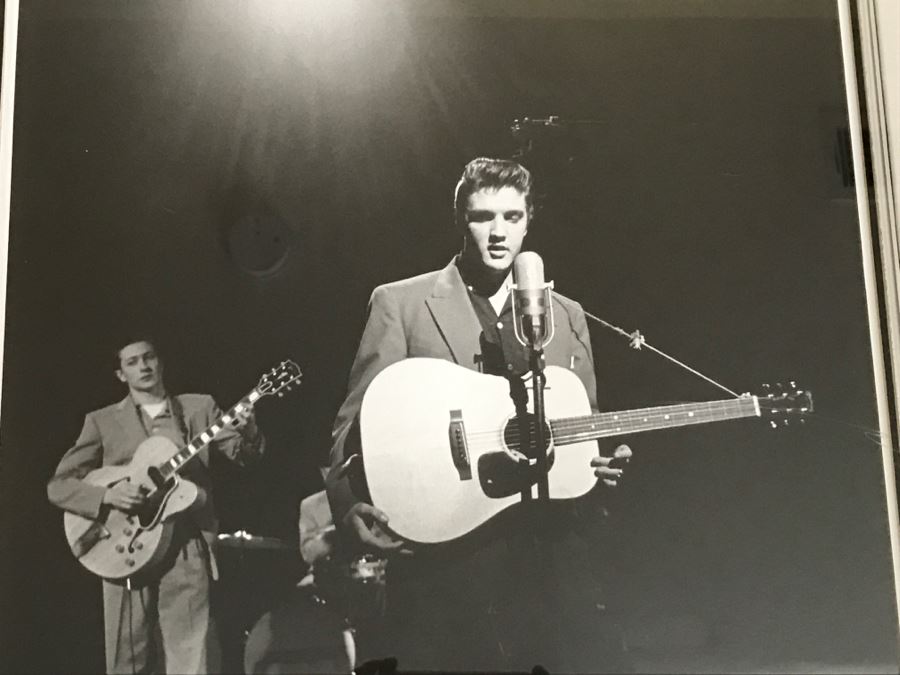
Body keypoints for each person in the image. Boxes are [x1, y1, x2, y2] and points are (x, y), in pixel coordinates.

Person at [326, 157, 633, 672]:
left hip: (549, 555)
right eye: (482, 216)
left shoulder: (566, 315)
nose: (498, 232)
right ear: (458, 221)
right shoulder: (401, 304)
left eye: (512, 217)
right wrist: (348, 503)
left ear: (529, 221)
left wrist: (601, 465)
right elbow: (353, 424)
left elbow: (585, 427)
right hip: (446, 559)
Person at [47, 336, 265, 674]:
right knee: (126, 659)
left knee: (190, 658)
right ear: (121, 375)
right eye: (132, 362)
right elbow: (59, 486)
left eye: (148, 357)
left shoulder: (198, 407)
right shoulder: (102, 421)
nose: (143, 366)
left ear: (160, 362)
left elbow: (244, 457)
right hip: (122, 546)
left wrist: (249, 429)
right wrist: (107, 496)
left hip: (185, 546)